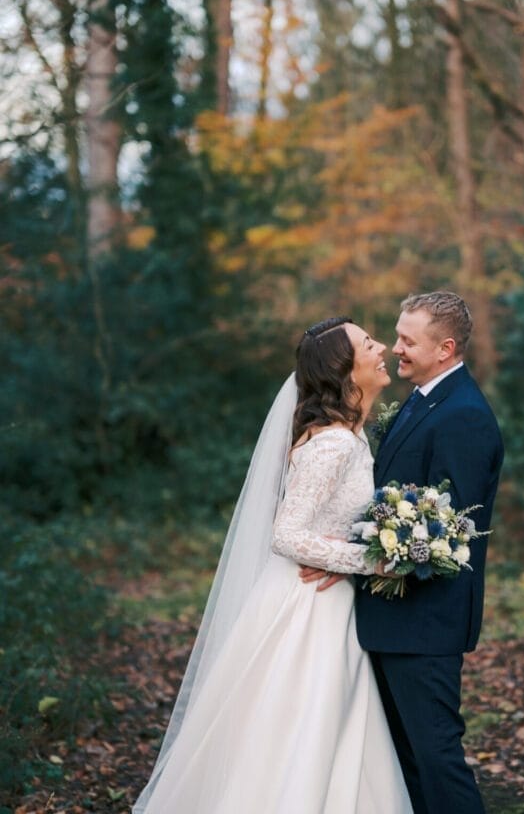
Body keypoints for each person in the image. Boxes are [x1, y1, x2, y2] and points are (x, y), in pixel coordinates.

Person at [132, 317, 412, 814]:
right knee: (303, 726)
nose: (382, 347)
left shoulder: (351, 436)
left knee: (332, 726)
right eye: (370, 343)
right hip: (307, 610)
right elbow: (286, 533)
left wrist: (349, 559)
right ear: (344, 369)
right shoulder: (333, 444)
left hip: (328, 600)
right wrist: (373, 561)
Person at [355, 291, 503, 814]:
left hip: (425, 622)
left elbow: (454, 529)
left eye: (406, 340)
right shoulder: (424, 399)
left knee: (436, 756)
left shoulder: (464, 415)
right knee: (408, 760)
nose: (395, 348)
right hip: (395, 619)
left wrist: (366, 557)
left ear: (444, 348)